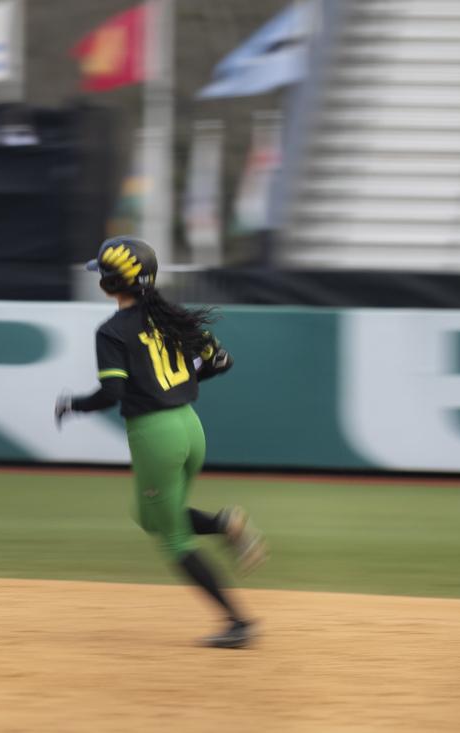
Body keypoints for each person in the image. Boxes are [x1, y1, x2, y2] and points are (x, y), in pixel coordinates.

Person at [55, 236, 267, 649]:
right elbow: (221, 360)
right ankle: (224, 524)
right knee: (151, 516)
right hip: (190, 427)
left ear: (110, 283)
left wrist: (73, 405)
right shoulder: (170, 317)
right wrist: (178, 383)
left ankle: (238, 623)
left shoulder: (112, 332)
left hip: (156, 436)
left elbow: (112, 395)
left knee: (173, 540)